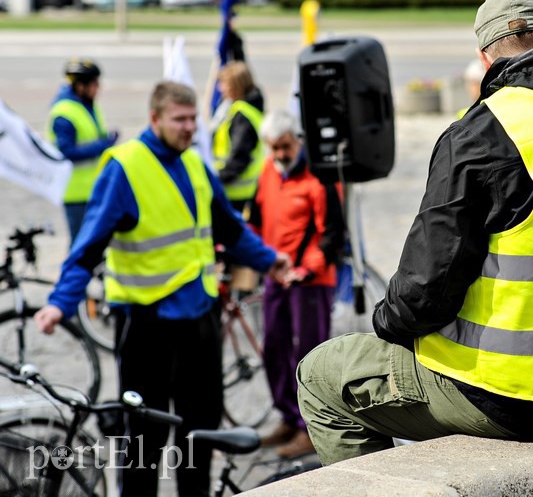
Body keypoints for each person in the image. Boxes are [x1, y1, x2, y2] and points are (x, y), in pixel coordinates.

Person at [296, 0, 533, 466]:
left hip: (519, 398)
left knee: (323, 375)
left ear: (485, 56)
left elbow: (422, 297)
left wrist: (385, 324)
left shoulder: (485, 132)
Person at [34, 81, 291, 497]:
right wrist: (60, 304)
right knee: (143, 443)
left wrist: (269, 261)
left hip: (200, 319)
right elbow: (87, 247)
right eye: (180, 119)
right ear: (155, 118)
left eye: (193, 119)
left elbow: (229, 228)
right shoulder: (124, 168)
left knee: (200, 433)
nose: (189, 127)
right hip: (146, 322)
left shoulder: (194, 165)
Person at [250, 109, 345, 458]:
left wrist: (305, 270)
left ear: (298, 141)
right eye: (273, 148)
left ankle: (311, 429)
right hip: (277, 276)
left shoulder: (319, 178)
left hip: (311, 281)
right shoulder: (268, 173)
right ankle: (289, 417)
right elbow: (256, 221)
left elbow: (333, 236)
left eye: (285, 147)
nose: (279, 155)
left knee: (308, 356)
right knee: (274, 349)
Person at [47, 58, 117, 243]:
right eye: (94, 84)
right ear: (80, 86)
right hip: (75, 193)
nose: (98, 88)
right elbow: (67, 152)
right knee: (79, 247)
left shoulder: (89, 106)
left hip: (96, 188)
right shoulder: (64, 113)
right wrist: (103, 145)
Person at [211, 60, 266, 213]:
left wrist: (216, 180)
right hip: (235, 189)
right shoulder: (237, 108)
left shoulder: (242, 115)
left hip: (237, 193)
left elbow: (239, 156)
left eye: (224, 84)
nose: (220, 89)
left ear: (237, 85)